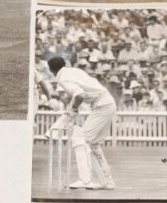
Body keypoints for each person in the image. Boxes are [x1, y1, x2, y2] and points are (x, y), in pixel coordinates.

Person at [47, 56, 116, 190]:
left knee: (79, 138)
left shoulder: (61, 78)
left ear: (51, 70)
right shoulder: (74, 71)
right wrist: (73, 107)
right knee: (93, 144)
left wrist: (73, 108)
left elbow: (80, 95)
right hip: (106, 103)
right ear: (65, 63)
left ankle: (85, 180)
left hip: (102, 105)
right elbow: (82, 93)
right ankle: (107, 182)